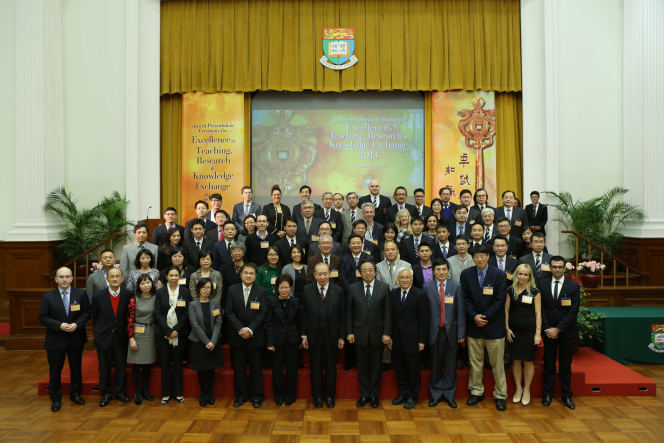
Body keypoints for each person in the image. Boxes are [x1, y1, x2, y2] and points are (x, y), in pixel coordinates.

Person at [460, 244, 508, 411]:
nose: (479, 259)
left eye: (482, 256)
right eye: (476, 256)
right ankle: (476, 392)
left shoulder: (499, 275)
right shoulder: (466, 274)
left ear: (488, 256)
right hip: (474, 325)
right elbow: (464, 298)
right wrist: (474, 316)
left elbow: (500, 301)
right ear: (472, 258)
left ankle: (501, 395)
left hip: (493, 326)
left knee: (497, 364)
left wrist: (484, 317)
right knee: (475, 363)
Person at [38, 267, 91, 412]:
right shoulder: (48, 296)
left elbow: (87, 312)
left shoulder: (81, 293)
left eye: (67, 276)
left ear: (72, 278)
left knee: (76, 368)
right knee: (55, 370)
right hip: (55, 339)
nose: (64, 279)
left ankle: (75, 394)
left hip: (76, 337)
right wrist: (59, 325)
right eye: (61, 277)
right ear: (56, 279)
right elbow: (42, 317)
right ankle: (55, 398)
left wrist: (77, 324)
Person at [347, 260, 392, 409]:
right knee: (363, 368)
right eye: (364, 270)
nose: (368, 273)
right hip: (359, 334)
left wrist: (387, 333)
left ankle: (374, 396)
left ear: (374, 271)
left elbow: (388, 313)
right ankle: (364, 395)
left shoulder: (384, 287)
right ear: (360, 273)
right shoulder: (353, 288)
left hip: (378, 335)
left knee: (376, 368)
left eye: (370, 270)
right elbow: (350, 313)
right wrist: (349, 332)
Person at [301, 263, 346, 409]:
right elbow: (303, 315)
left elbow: (342, 315)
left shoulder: (338, 290)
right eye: (319, 274)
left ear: (330, 274)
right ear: (314, 275)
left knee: (331, 367)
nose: (322, 277)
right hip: (313, 334)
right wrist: (304, 335)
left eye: (325, 273)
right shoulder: (306, 290)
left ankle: (330, 396)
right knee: (315, 367)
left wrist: (341, 336)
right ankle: (318, 397)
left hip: (332, 335)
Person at [540, 256, 581, 410]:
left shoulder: (573, 286)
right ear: (550, 268)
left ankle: (566, 395)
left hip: (566, 332)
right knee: (549, 364)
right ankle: (548, 394)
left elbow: (573, 311)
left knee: (565, 365)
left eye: (560, 267)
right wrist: (548, 329)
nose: (557, 269)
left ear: (565, 268)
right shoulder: (542, 284)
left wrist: (558, 329)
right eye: (554, 266)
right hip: (548, 331)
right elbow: (541, 308)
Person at [225, 263, 268, 408]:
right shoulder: (232, 290)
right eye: (246, 273)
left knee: (256, 368)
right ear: (241, 274)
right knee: (239, 368)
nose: (248, 275)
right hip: (237, 336)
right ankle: (240, 396)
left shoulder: (261, 291)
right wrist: (240, 329)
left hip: (255, 336)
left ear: (256, 276)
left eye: (251, 273)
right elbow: (229, 312)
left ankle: (257, 396)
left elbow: (263, 312)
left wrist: (250, 329)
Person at [424, 259, 465, 408]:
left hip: (451, 332)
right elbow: (424, 313)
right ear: (433, 271)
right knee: (435, 365)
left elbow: (460, 311)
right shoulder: (426, 287)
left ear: (448, 271)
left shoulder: (456, 287)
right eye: (438, 269)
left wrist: (461, 333)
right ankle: (435, 394)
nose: (441, 272)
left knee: (450, 365)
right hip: (433, 332)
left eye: (444, 269)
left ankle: (449, 394)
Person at [91, 268, 132, 407]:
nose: (115, 279)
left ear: (122, 279)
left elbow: (130, 315)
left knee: (121, 367)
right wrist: (98, 333)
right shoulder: (98, 296)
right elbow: (95, 317)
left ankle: (120, 392)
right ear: (107, 279)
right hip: (104, 336)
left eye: (117, 276)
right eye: (112, 277)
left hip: (121, 336)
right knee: (104, 368)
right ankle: (106, 393)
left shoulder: (128, 294)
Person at [389, 268, 429, 409]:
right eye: (402, 277)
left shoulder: (420, 294)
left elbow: (424, 320)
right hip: (397, 339)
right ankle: (403, 393)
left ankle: (413, 395)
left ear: (412, 279)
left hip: (414, 339)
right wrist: (390, 336)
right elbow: (391, 317)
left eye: (407, 277)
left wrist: (422, 340)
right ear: (397, 280)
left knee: (413, 369)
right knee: (399, 368)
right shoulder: (393, 294)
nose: (404, 280)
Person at [505, 264, 541, 407]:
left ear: (530, 276)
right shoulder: (510, 290)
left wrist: (538, 332)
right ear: (516, 274)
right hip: (514, 330)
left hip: (530, 331)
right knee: (516, 360)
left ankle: (527, 390)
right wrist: (507, 328)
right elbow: (506, 310)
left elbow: (538, 313)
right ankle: (518, 388)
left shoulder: (534, 292)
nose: (522, 277)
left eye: (526, 274)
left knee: (528, 361)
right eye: (520, 274)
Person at [154, 266, 191, 404]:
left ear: (179, 277)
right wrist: (168, 331)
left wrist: (176, 330)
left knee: (177, 363)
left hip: (180, 333)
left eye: (176, 275)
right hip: (163, 334)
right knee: (164, 363)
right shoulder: (160, 292)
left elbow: (187, 312)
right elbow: (157, 313)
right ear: (166, 277)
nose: (174, 278)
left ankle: (178, 393)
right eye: (171, 275)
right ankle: (165, 394)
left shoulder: (185, 292)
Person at [266, 275, 301, 407]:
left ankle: (290, 397)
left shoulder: (296, 301)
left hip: (293, 340)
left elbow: (299, 322)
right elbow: (268, 323)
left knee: (292, 370)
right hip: (276, 341)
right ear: (277, 288)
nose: (284, 290)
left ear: (290, 287)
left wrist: (299, 339)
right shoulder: (271, 302)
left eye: (286, 287)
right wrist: (270, 343)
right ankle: (279, 396)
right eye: (281, 287)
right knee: (277, 371)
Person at [189, 278, 224, 407]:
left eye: (208, 287)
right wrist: (206, 341)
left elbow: (219, 322)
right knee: (201, 369)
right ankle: (202, 392)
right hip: (199, 342)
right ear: (199, 289)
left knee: (211, 369)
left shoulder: (215, 303)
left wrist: (213, 341)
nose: (206, 290)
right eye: (203, 287)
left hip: (214, 341)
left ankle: (210, 392)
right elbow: (195, 325)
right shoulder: (193, 304)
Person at [339, 234, 371, 371]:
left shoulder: (369, 258)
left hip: (366, 298)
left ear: (362, 244)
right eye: (353, 243)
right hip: (349, 298)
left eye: (359, 243)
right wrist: (353, 293)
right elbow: (343, 277)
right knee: (350, 327)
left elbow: (370, 276)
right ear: (349, 245)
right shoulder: (344, 259)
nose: (356, 245)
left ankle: (363, 359)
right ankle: (350, 359)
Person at [126, 273, 158, 405]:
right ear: (138, 286)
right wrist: (131, 338)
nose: (146, 285)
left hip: (151, 332)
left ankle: (145, 390)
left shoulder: (157, 297)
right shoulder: (134, 299)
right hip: (137, 332)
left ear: (152, 283)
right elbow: (129, 320)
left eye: (148, 282)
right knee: (137, 364)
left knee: (147, 364)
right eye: (142, 283)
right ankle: (137, 392)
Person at [221, 242, 246, 310]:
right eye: (234, 251)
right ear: (231, 253)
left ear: (243, 253)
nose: (236, 253)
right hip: (230, 301)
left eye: (239, 251)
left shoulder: (248, 267)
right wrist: (223, 306)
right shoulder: (226, 268)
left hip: (245, 300)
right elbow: (224, 287)